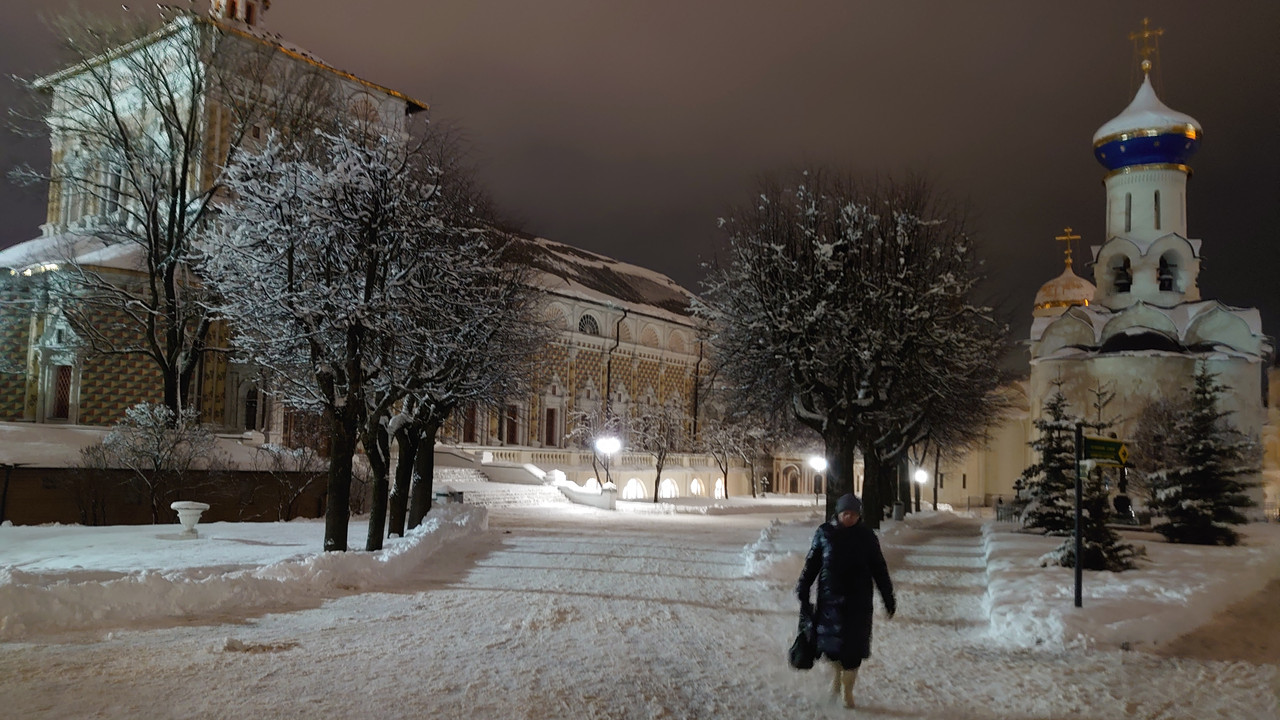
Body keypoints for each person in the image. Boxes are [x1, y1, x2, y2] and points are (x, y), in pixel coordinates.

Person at [796, 493, 895, 709]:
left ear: (860, 516)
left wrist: (888, 597)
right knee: (831, 648)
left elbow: (879, 569)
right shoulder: (825, 534)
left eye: (853, 514)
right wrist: (803, 587)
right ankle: (836, 678)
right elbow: (812, 563)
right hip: (829, 601)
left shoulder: (867, 537)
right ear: (838, 514)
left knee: (853, 650)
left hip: (858, 603)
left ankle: (847, 690)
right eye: (845, 513)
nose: (849, 518)